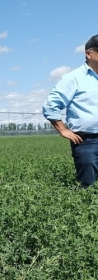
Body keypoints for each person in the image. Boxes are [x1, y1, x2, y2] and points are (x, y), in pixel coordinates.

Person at [43, 34, 98, 188]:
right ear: (88, 53)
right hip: (86, 141)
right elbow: (51, 106)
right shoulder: (73, 78)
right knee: (89, 186)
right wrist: (63, 130)